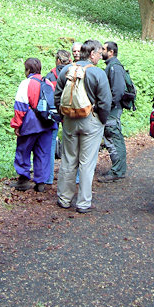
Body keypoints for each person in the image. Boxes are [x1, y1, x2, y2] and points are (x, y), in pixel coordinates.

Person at [54, 39, 112, 213]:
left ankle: (64, 199)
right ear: (92, 54)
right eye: (99, 53)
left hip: (70, 120)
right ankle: (83, 203)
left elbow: (57, 96)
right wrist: (101, 120)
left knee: (68, 159)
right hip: (91, 121)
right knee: (86, 163)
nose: (101, 56)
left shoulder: (66, 70)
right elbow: (105, 102)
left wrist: (63, 117)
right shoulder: (98, 73)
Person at [10, 58, 56, 192]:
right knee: (43, 152)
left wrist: (17, 125)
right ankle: (40, 182)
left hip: (30, 123)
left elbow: (20, 107)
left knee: (23, 151)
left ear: (28, 70)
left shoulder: (26, 83)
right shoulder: (47, 82)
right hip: (47, 122)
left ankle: (23, 180)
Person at [98, 41, 127, 182]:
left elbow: (118, 91)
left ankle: (118, 170)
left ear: (111, 52)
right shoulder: (111, 66)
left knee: (114, 136)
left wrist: (108, 106)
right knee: (111, 137)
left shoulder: (114, 67)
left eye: (103, 49)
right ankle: (117, 168)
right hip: (111, 108)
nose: (101, 51)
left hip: (112, 110)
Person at [44, 50, 72, 187]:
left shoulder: (50, 76)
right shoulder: (72, 73)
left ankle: (49, 177)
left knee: (50, 145)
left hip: (54, 113)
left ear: (58, 61)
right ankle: (73, 178)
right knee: (72, 146)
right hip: (69, 112)